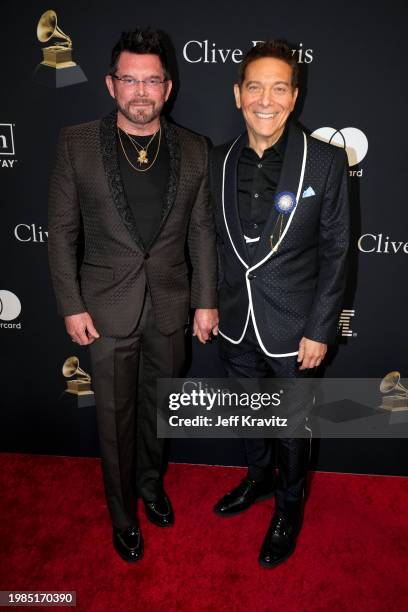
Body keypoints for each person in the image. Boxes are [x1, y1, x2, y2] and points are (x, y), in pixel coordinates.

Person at [48, 27, 218, 563]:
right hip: (105, 309)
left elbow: (201, 233)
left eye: (151, 80)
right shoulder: (76, 143)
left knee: (157, 413)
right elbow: (61, 232)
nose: (140, 91)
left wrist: (206, 299)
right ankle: (123, 514)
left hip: (170, 307)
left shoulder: (194, 148)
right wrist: (71, 304)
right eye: (129, 79)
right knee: (114, 422)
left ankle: (150, 487)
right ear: (110, 84)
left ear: (167, 88)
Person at [210, 40, 349, 568]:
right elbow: (210, 239)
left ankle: (289, 508)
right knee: (249, 414)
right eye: (254, 87)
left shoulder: (327, 162)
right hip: (235, 321)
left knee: (293, 430)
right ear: (237, 94)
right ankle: (257, 481)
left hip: (296, 328)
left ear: (294, 97)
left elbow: (338, 252)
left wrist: (320, 327)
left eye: (279, 87)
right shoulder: (219, 159)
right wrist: (208, 304)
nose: (265, 99)